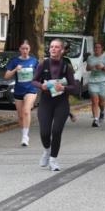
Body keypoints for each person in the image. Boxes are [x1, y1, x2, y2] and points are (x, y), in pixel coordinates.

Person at [32, 39, 79, 171]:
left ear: (62, 50)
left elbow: (74, 87)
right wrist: (42, 85)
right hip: (46, 103)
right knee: (44, 132)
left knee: (56, 131)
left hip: (61, 103)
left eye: (56, 47)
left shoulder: (66, 67)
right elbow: (33, 81)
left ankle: (53, 160)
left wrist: (63, 88)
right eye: (51, 47)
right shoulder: (43, 64)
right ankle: (47, 151)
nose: (53, 49)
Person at [3, 40, 39, 146]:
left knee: (26, 111)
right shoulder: (14, 61)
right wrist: (15, 69)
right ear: (20, 49)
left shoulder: (34, 61)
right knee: (20, 115)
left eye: (26, 49)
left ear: (29, 49)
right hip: (19, 90)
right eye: (23, 48)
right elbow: (6, 76)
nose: (25, 51)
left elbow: (39, 74)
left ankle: (25, 137)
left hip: (31, 90)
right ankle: (23, 133)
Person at [85, 41, 105, 127]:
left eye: (98, 47)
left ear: (102, 49)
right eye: (95, 47)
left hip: (103, 81)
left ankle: (102, 111)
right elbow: (87, 68)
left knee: (101, 101)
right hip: (92, 81)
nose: (96, 49)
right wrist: (91, 67)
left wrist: (103, 68)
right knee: (94, 101)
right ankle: (95, 120)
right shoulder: (90, 58)